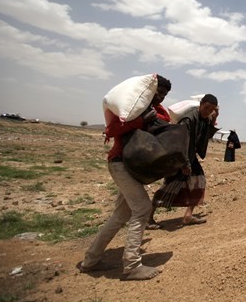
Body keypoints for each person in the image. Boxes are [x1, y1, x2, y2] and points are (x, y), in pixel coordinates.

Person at [78, 74, 172, 281]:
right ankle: (131, 266)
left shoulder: (151, 109)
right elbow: (112, 130)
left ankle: (90, 261)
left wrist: (153, 115)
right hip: (121, 164)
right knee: (143, 209)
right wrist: (140, 120)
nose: (161, 97)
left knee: (120, 215)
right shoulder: (132, 111)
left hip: (132, 167)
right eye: (159, 92)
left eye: (165, 94)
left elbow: (165, 122)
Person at [148, 94, 219, 228]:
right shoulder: (188, 120)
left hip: (191, 157)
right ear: (201, 104)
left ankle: (188, 216)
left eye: (212, 109)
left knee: (199, 180)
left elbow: (205, 137)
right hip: (180, 157)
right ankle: (148, 218)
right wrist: (184, 163)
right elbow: (180, 142)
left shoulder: (204, 120)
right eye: (207, 107)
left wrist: (213, 120)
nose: (208, 111)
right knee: (170, 186)